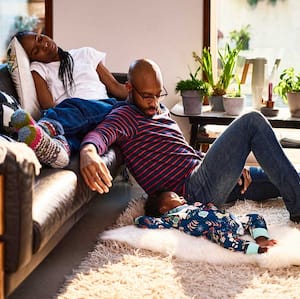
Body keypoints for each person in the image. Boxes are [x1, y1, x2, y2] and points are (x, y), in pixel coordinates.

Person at [79, 58, 300, 223]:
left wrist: (231, 165)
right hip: (191, 192)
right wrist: (88, 152)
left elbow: (183, 152)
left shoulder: (160, 110)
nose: (154, 103)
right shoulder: (125, 116)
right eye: (147, 96)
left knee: (289, 177)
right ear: (128, 88)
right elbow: (100, 134)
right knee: (252, 121)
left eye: (158, 94)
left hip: (208, 177)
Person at [9, 31, 128, 168]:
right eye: (36, 51)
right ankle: (60, 151)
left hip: (105, 109)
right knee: (73, 135)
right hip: (73, 122)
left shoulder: (85, 53)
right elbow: (48, 105)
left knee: (73, 105)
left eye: (40, 39)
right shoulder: (38, 69)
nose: (44, 46)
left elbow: (115, 87)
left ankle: (45, 127)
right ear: (33, 59)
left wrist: (144, 96)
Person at [135, 190, 277, 254]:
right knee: (225, 240)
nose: (181, 196)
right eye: (175, 196)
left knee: (255, 217)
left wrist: (210, 207)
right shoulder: (170, 219)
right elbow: (146, 222)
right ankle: (254, 248)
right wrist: (137, 218)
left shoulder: (191, 205)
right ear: (163, 208)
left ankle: (261, 238)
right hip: (216, 229)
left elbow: (208, 210)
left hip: (232, 219)